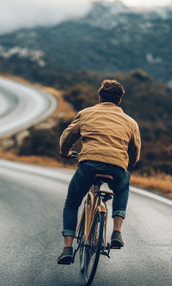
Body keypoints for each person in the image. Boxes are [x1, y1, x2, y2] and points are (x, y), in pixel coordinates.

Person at [57, 79, 141, 265]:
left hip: (89, 165)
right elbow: (135, 149)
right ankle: (117, 231)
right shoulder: (130, 122)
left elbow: (67, 136)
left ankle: (67, 248)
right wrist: (130, 163)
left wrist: (65, 152)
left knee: (72, 202)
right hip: (117, 167)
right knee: (122, 186)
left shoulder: (86, 114)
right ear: (119, 101)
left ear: (100, 97)